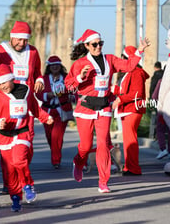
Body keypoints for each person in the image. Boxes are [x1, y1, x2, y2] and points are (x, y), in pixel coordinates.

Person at [65, 29, 150, 193]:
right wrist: (80, 78)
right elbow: (68, 85)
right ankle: (79, 161)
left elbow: (129, 65)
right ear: (87, 46)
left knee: (103, 144)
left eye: (100, 43)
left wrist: (140, 50)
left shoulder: (110, 59)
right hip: (86, 107)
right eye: (94, 44)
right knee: (86, 145)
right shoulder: (80, 63)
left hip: (104, 106)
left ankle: (103, 181)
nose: (98, 47)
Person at [0, 20, 44, 193]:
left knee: (26, 147)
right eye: (18, 40)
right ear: (11, 36)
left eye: (25, 40)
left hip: (26, 107)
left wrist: (39, 79)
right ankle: (10, 183)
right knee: (7, 151)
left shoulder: (33, 51)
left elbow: (37, 70)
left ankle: (20, 178)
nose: (22, 43)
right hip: (5, 108)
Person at [0, 64, 53, 212]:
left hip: (23, 132)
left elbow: (34, 108)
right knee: (10, 172)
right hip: (5, 137)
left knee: (19, 160)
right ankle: (15, 198)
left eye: (4, 82)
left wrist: (45, 118)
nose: (2, 86)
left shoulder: (26, 90)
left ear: (12, 79)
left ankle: (27, 186)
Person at [112, 46, 149, 176]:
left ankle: (133, 168)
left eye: (123, 58)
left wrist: (120, 99)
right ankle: (129, 167)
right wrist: (114, 90)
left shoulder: (136, 72)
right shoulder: (130, 72)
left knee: (130, 140)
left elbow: (137, 93)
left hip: (131, 109)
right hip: (127, 109)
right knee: (128, 140)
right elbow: (127, 91)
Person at [35, 55, 74, 169]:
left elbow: (74, 90)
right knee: (49, 136)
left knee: (57, 136)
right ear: (49, 67)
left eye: (57, 65)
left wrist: (68, 95)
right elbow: (38, 92)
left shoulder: (67, 78)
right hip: (47, 111)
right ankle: (55, 152)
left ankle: (56, 160)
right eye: (52, 65)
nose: (55, 67)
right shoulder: (43, 79)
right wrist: (48, 95)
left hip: (62, 111)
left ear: (60, 66)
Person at [152, 78, 170, 159]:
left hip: (163, 108)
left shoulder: (161, 81)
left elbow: (154, 96)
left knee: (160, 129)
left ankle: (163, 149)